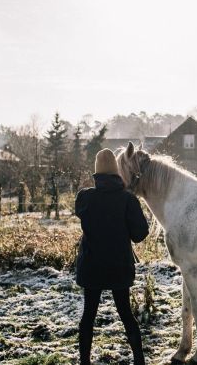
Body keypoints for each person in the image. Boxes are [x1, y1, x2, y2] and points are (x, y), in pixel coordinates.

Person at [75, 148, 150, 365]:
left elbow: (82, 213)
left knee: (88, 316)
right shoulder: (127, 200)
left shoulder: (85, 198)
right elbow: (140, 234)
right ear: (117, 171)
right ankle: (139, 360)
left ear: (96, 172)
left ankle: (84, 362)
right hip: (119, 266)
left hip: (92, 266)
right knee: (126, 314)